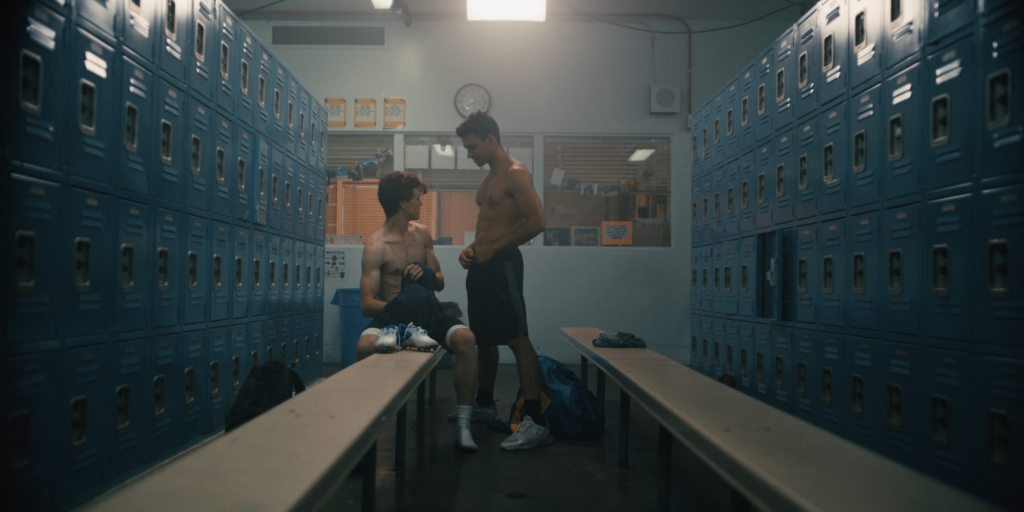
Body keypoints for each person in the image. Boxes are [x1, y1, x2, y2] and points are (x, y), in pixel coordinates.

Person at [356, 171, 481, 452]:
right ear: (402, 203)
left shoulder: (422, 234)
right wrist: (403, 308)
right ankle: (365, 430)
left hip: (428, 313)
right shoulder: (376, 246)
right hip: (394, 317)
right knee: (364, 346)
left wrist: (426, 272)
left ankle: (463, 426)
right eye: (417, 198)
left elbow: (440, 282)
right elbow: (366, 304)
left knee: (467, 339)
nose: (421, 203)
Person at [455, 111, 552, 451]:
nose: (469, 154)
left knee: (517, 338)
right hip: (482, 266)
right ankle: (484, 404)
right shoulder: (489, 178)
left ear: (491, 140)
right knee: (483, 338)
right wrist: (471, 249)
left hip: (504, 265)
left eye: (472, 147)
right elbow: (490, 225)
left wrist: (493, 249)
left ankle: (535, 422)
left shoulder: (515, 173)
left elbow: (537, 222)